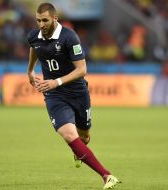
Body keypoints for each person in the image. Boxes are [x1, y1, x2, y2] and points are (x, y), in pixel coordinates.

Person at [27, 3, 121, 189]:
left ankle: (79, 150)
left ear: (55, 18)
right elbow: (34, 49)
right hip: (54, 95)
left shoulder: (69, 37)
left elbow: (82, 70)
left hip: (78, 93)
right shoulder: (33, 36)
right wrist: (30, 70)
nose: (41, 24)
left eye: (45, 20)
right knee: (69, 135)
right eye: (38, 20)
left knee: (84, 137)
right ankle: (107, 176)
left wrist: (57, 81)